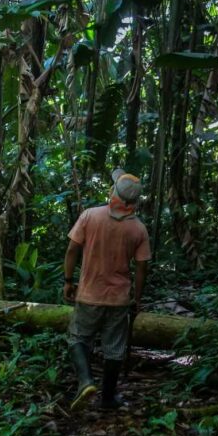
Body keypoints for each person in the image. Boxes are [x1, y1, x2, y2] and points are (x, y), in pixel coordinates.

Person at [63, 169, 151, 411]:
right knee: (114, 348)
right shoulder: (138, 229)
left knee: (77, 338)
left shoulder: (90, 216)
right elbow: (142, 267)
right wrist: (137, 298)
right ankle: (107, 398)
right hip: (119, 298)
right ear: (133, 201)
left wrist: (68, 280)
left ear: (114, 192)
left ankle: (86, 380)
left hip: (89, 294)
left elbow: (72, 250)